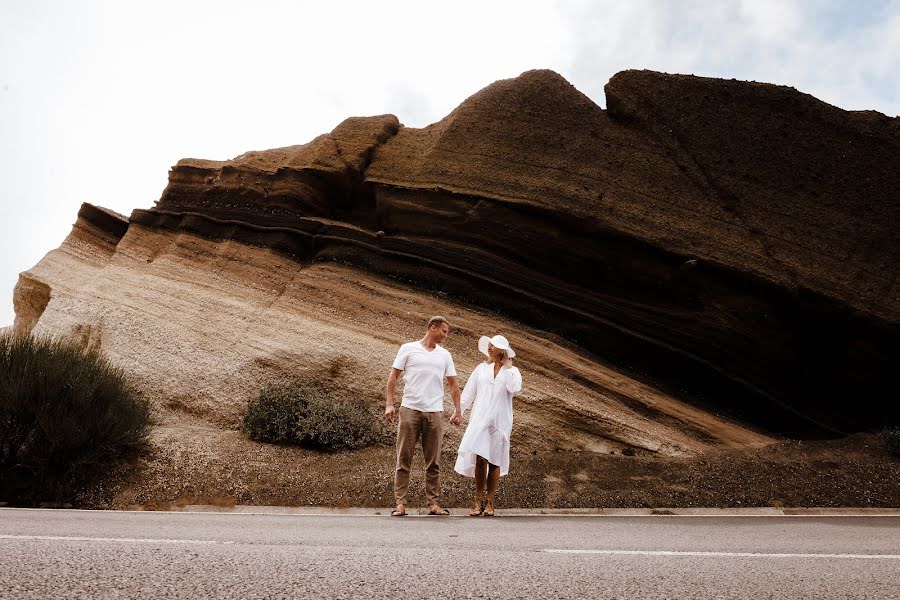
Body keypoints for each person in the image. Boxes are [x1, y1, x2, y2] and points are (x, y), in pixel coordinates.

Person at [385, 316, 462, 516]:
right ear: (432, 328)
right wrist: (389, 404)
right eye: (443, 331)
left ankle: (433, 504)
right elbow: (393, 377)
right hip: (410, 409)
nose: (446, 335)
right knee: (404, 458)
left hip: (434, 411)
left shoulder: (445, 355)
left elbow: (453, 384)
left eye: (447, 332)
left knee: (433, 461)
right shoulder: (408, 349)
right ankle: (400, 503)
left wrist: (458, 409)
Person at [455, 334, 522, 517]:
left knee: (494, 461)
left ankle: (490, 501)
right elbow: (469, 392)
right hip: (480, 419)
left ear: (503, 350)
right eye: (489, 345)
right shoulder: (481, 369)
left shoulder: (513, 372)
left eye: (494, 346)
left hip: (500, 422)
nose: (490, 348)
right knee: (480, 459)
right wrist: (458, 411)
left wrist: (508, 369)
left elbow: (514, 389)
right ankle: (477, 499)